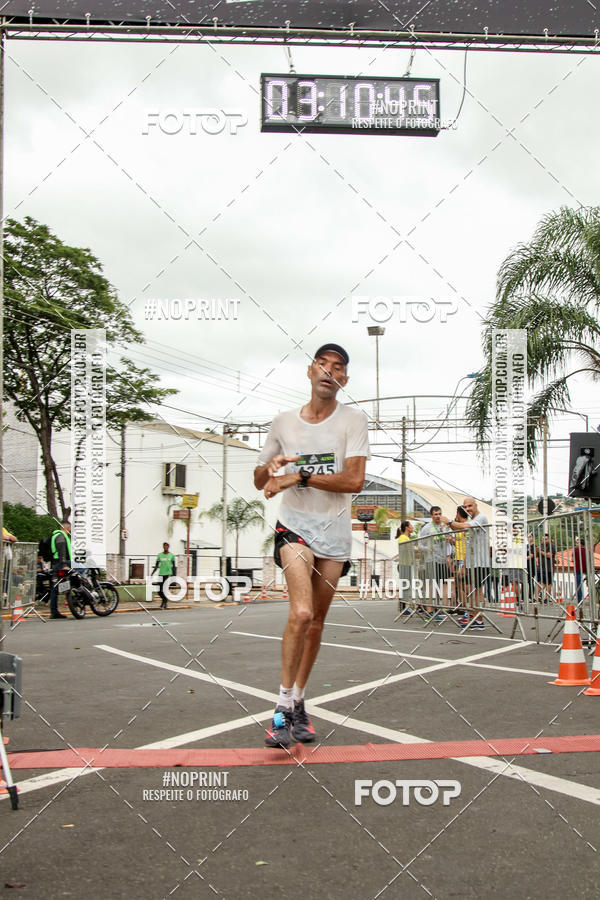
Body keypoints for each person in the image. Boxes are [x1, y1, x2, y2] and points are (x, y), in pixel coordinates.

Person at [254, 343, 369, 748]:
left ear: (344, 380)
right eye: (323, 364)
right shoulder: (283, 422)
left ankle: (300, 699)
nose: (329, 371)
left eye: (338, 367)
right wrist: (271, 468)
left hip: (334, 533)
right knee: (301, 613)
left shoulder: (353, 421)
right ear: (309, 371)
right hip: (295, 527)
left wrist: (299, 476)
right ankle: (282, 708)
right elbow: (260, 478)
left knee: (317, 623)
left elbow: (353, 481)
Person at [443, 497, 488, 629]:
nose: (468, 509)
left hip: (481, 562)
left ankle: (478, 621)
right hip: (471, 563)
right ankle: (473, 616)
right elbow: (462, 532)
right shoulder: (472, 520)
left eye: (470, 506)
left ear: (475, 505)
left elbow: (466, 526)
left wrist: (450, 522)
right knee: (471, 591)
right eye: (465, 507)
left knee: (477, 592)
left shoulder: (481, 518)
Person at [419, 506, 452, 620]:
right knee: (431, 586)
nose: (438, 516)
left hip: (442, 560)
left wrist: (448, 556)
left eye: (439, 514)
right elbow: (420, 545)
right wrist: (428, 548)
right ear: (431, 516)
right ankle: (429, 612)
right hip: (431, 561)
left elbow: (449, 542)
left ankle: (440, 609)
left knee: (443, 586)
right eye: (436, 514)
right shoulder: (426, 528)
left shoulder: (445, 527)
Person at [48, 521, 71, 619]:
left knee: (55, 588)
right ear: (68, 528)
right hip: (61, 563)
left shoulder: (55, 535)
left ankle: (54, 612)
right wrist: (64, 564)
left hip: (56, 564)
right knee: (82, 567)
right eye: (70, 528)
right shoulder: (61, 536)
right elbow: (62, 551)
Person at [151, 542, 177, 609]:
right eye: (164, 546)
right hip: (161, 574)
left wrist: (174, 575)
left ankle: (164, 603)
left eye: (167, 546)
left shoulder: (171, 555)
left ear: (168, 547)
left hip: (168, 574)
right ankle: (164, 600)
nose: (165, 547)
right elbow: (157, 565)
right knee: (159, 590)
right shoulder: (160, 555)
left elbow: (174, 566)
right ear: (163, 547)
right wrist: (153, 572)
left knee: (164, 588)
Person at [396, 520, 414, 614]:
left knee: (406, 586)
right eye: (411, 525)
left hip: (406, 564)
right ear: (407, 527)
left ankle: (404, 607)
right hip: (404, 565)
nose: (412, 527)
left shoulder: (406, 538)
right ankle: (402, 608)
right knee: (405, 586)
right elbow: (406, 550)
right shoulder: (403, 538)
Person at [536, 533, 556, 604]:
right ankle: (536, 597)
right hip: (540, 567)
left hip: (549, 567)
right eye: (543, 539)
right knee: (540, 582)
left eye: (546, 539)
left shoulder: (552, 546)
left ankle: (546, 598)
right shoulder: (540, 546)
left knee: (548, 583)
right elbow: (536, 556)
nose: (544, 540)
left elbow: (549, 555)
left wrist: (540, 551)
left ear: (550, 540)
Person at [573, 536, 587, 606]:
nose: (576, 544)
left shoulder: (576, 550)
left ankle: (580, 600)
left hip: (578, 568)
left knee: (578, 585)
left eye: (577, 543)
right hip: (587, 568)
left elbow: (573, 559)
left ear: (580, 543)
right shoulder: (587, 550)